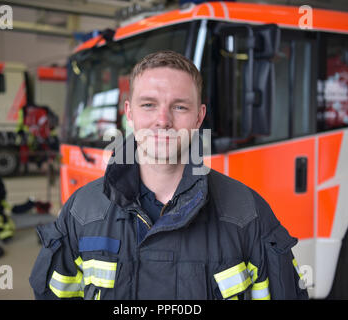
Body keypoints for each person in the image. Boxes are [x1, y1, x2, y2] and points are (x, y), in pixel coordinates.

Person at [29, 50, 308, 300]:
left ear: (199, 118)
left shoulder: (247, 214)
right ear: (129, 113)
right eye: (148, 104)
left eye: (179, 107)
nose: (163, 120)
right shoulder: (81, 212)